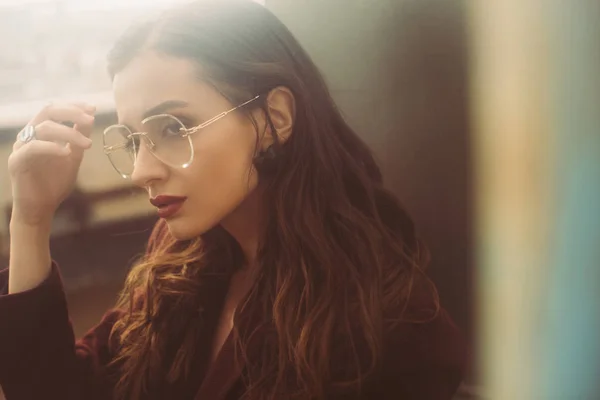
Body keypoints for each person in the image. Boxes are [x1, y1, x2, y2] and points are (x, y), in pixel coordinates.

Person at [0, 1, 466, 399]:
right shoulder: (181, 254)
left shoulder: (389, 324)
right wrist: (31, 219)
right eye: (134, 139)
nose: (141, 171)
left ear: (274, 118)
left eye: (172, 129)